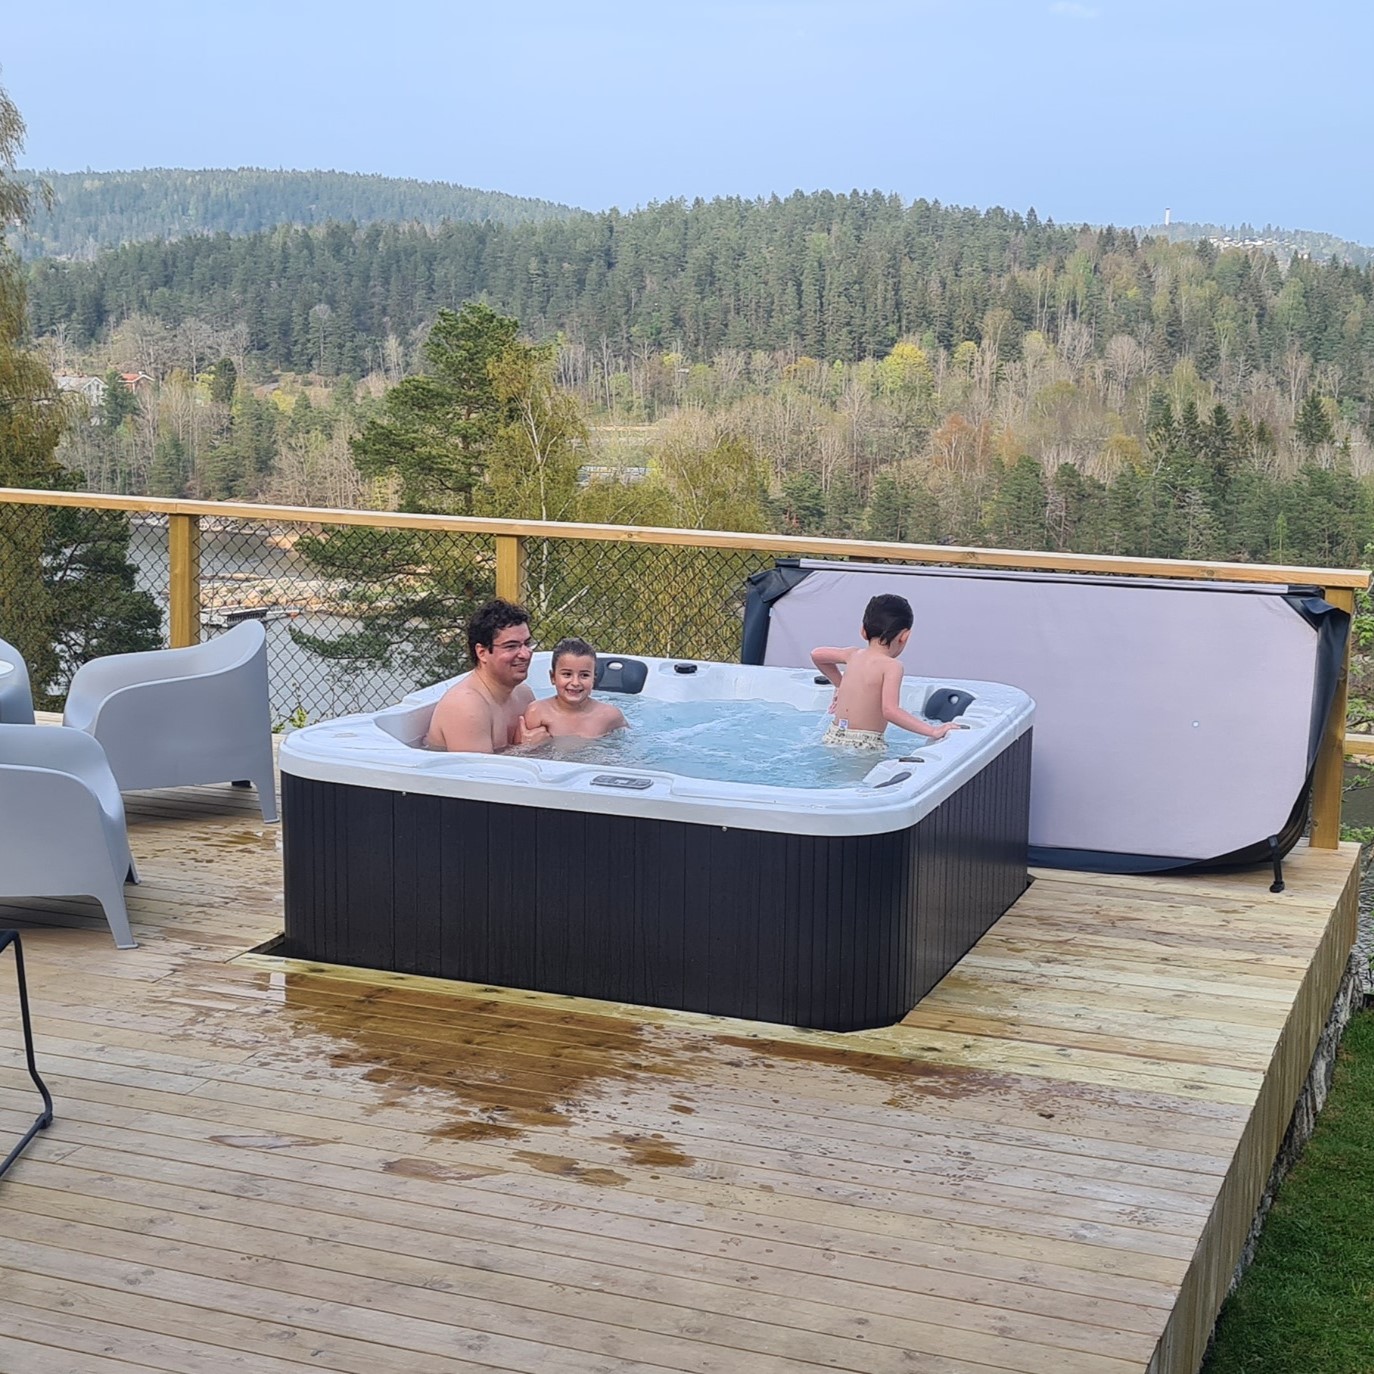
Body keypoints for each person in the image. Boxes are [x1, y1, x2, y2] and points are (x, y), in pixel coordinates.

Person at [810, 593, 958, 750]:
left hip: (832, 735)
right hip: (865, 744)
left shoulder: (852, 654)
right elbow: (890, 711)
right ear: (905, 636)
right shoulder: (892, 666)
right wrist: (933, 731)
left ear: (863, 631)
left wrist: (839, 685)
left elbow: (816, 655)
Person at [426, 599, 550, 752]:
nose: (525, 654)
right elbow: (476, 767)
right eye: (511, 646)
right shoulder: (466, 705)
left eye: (527, 644)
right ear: (482, 652)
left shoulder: (523, 694)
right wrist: (526, 749)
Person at [522, 637, 627, 740]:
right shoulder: (538, 712)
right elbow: (521, 748)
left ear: (593, 679)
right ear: (553, 677)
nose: (575, 682)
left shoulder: (610, 716)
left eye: (584, 675)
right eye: (567, 674)